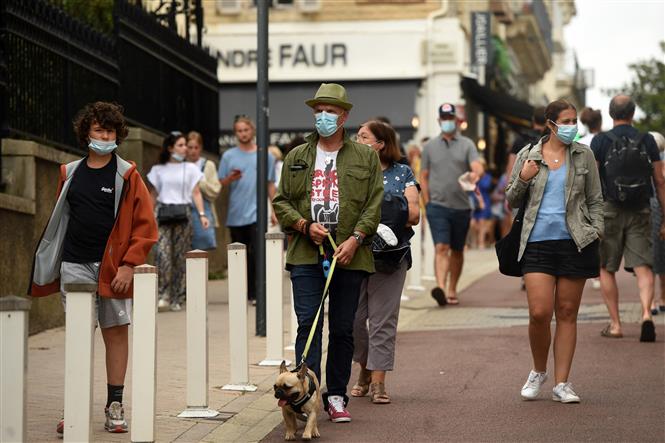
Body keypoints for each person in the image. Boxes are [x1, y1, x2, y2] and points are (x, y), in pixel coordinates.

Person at [29, 102, 158, 434]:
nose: (105, 136)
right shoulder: (69, 172)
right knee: (77, 336)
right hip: (74, 267)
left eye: (111, 131)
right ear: (86, 132)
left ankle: (115, 404)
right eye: (99, 130)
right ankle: (72, 405)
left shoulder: (127, 174)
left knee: (116, 335)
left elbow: (145, 227)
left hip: (113, 269)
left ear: (118, 135)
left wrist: (129, 265)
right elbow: (61, 222)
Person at [272, 83, 383, 422]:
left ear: (344, 116)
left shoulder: (365, 156)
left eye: (330, 112)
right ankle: (303, 397)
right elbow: (281, 202)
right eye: (318, 111)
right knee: (308, 324)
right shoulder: (297, 156)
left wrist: (356, 238)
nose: (323, 117)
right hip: (306, 253)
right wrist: (305, 225)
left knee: (343, 328)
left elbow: (374, 203)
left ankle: (335, 396)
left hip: (349, 254)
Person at [506, 99, 603, 403]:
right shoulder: (528, 155)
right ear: (550, 124)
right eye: (566, 121)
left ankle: (562, 383)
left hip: (575, 241)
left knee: (566, 312)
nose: (572, 126)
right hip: (536, 242)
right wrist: (523, 178)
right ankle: (538, 370)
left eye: (575, 120)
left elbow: (596, 200)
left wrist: (596, 229)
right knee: (539, 312)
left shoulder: (584, 155)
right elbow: (511, 199)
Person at [351, 120, 420, 404]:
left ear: (380, 144)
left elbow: (414, 214)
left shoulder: (402, 172)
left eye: (363, 136)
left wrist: (386, 205)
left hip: (391, 257)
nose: (357, 139)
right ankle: (365, 368)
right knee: (353, 321)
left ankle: (378, 380)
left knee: (382, 320)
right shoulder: (351, 172)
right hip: (354, 253)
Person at [590, 95, 665, 342]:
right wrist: (663, 216)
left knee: (606, 267)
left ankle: (615, 324)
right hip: (641, 208)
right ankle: (646, 313)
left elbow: (591, 179)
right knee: (644, 266)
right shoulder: (647, 140)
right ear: (633, 113)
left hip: (609, 208)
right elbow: (660, 181)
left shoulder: (600, 140)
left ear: (611, 114)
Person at [421, 103, 484, 306]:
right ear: (439, 121)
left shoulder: (467, 144)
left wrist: (475, 174)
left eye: (451, 118)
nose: (448, 122)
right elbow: (423, 176)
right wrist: (427, 203)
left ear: (457, 121)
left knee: (457, 250)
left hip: (462, 206)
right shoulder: (429, 147)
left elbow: (476, 166)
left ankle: (452, 288)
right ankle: (440, 287)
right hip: (437, 206)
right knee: (441, 246)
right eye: (444, 118)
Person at [147, 132, 209, 312]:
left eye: (185, 145)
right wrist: (149, 216)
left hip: (183, 214)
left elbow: (196, 192)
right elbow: (153, 194)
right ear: (170, 148)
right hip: (162, 213)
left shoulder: (190, 169)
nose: (185, 149)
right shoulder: (158, 170)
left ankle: (178, 296)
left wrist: (203, 214)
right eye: (181, 145)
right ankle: (163, 294)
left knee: (180, 258)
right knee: (163, 255)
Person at [218, 116, 277, 303]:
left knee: (257, 253)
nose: (243, 134)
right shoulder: (228, 156)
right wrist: (230, 179)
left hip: (257, 213)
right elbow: (219, 183)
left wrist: (275, 210)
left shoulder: (266, 156)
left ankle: (256, 292)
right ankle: (241, 291)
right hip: (236, 213)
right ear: (235, 133)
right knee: (239, 255)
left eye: (246, 130)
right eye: (239, 131)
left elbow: (270, 185)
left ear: (252, 130)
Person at [186, 131, 221, 251]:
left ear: (200, 148)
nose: (193, 151)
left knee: (201, 250)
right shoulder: (180, 165)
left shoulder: (208, 165)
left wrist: (199, 181)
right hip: (183, 211)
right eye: (190, 147)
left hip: (203, 211)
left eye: (196, 147)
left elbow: (215, 191)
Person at [648, 131, 665, 314]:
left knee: (650, 256)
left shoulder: (643, 159)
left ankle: (651, 301)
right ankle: (662, 298)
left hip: (650, 208)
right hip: (660, 209)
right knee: (661, 255)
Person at [506, 106, 547, 178]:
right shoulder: (549, 141)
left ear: (533, 120)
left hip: (520, 183)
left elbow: (510, 168)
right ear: (548, 122)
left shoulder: (521, 139)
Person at [471, 159, 493, 249]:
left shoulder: (487, 177)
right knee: (473, 223)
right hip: (474, 202)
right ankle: (474, 241)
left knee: (482, 222)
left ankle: (481, 242)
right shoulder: (472, 177)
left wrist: (478, 178)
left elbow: (487, 186)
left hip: (485, 201)